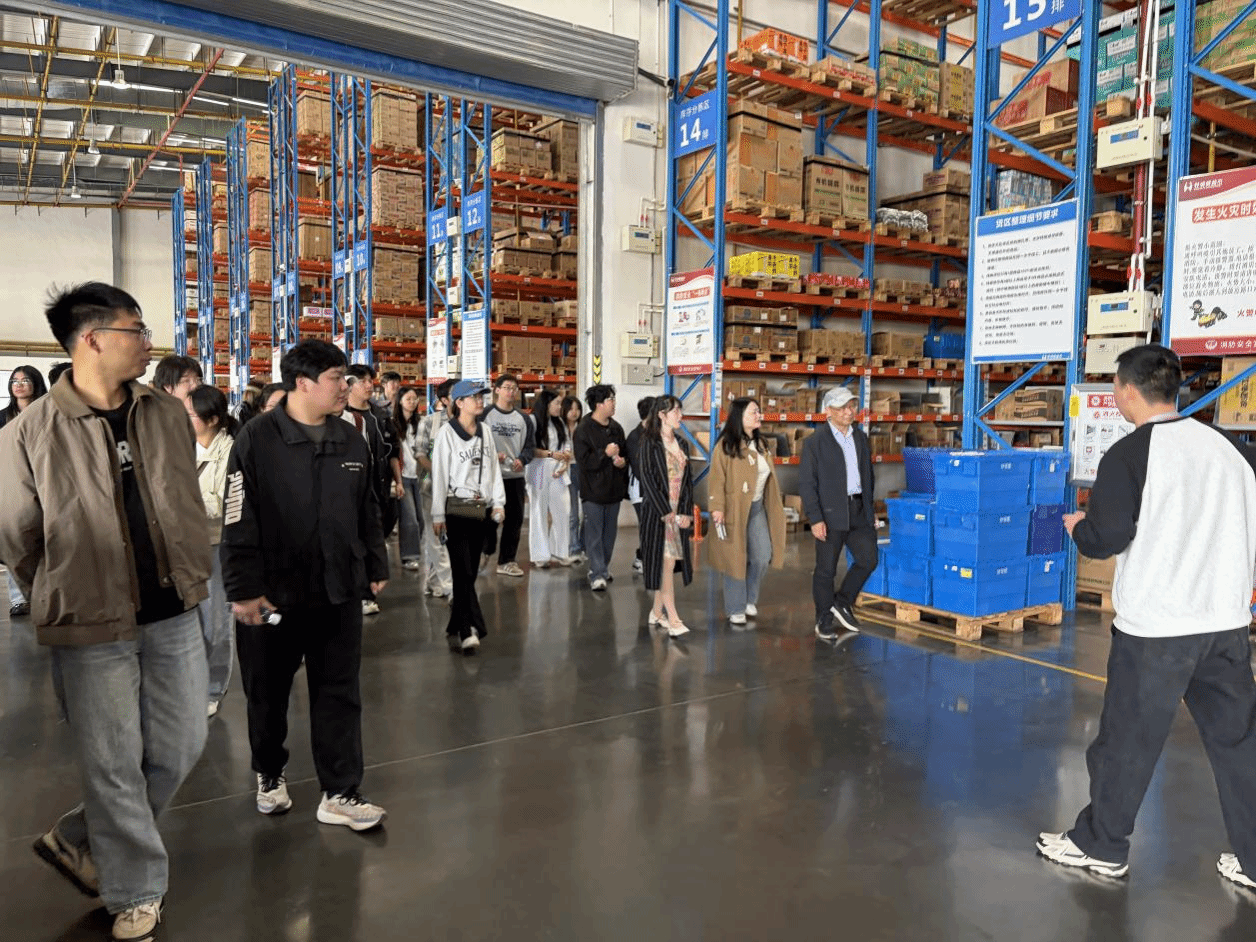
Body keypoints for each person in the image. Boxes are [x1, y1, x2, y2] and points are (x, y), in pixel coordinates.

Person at [0, 283, 211, 942]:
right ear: (92, 339)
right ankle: (136, 888)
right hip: (90, 623)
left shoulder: (164, 412)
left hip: (173, 606)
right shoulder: (30, 431)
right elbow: (14, 535)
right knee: (113, 761)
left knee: (181, 744)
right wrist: (60, 587)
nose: (148, 343)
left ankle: (78, 833)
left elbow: (181, 497)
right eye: (136, 330)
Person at [1037, 344, 1256, 889]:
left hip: (1158, 628)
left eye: (1115, 385)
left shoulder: (1129, 455)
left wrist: (1080, 528)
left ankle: (1102, 846)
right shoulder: (1231, 449)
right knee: (1239, 746)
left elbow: (1107, 538)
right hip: (1225, 623)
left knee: (1126, 743)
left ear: (1127, 391)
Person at [220, 339, 389, 832]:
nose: (346, 387)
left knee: (340, 691)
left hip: (337, 589)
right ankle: (269, 772)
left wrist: (374, 562)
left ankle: (340, 791)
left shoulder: (350, 438)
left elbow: (367, 506)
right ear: (302, 383)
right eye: (337, 378)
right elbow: (237, 517)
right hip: (273, 595)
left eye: (346, 378)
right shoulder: (256, 439)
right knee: (267, 691)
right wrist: (242, 588)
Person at [430, 380, 507, 654]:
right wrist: (437, 514)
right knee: (461, 570)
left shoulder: (485, 431)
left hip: (481, 509)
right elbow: (439, 474)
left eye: (481, 396)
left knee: (470, 571)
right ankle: (468, 629)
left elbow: (493, 470)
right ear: (459, 403)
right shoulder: (446, 434)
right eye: (474, 397)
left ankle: (455, 621)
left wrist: (498, 502)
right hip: (456, 510)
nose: (479, 401)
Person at [799, 386, 875, 643]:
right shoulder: (814, 443)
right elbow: (807, 484)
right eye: (842, 407)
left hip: (858, 510)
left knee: (868, 559)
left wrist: (870, 510)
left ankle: (842, 602)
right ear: (828, 411)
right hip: (830, 514)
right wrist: (815, 518)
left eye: (851, 406)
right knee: (826, 570)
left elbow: (868, 476)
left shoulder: (860, 438)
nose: (849, 412)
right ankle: (823, 618)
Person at [708, 397, 787, 628]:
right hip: (733, 509)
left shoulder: (761, 444)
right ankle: (735, 608)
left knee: (762, 556)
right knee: (735, 559)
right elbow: (716, 478)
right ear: (739, 417)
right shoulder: (726, 446)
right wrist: (717, 507)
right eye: (753, 412)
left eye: (758, 411)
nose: (758, 415)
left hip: (756, 507)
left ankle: (749, 599)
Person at [188, 385, 239, 718]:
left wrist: (182, 501)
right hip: (186, 544)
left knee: (216, 622)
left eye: (192, 415)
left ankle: (213, 687)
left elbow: (223, 503)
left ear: (213, 419)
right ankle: (190, 684)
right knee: (188, 622)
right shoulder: (181, 447)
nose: (185, 420)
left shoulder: (232, 452)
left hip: (217, 544)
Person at [343, 364, 402, 614]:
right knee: (357, 542)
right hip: (353, 492)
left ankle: (367, 589)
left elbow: (393, 451)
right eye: (363, 381)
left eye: (370, 380)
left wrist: (398, 481)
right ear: (349, 385)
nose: (369, 385)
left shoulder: (380, 416)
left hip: (380, 488)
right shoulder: (341, 415)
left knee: (376, 535)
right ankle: (363, 594)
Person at [637, 395, 694, 637]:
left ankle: (656, 612)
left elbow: (688, 483)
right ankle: (673, 618)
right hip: (658, 513)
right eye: (675, 411)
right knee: (666, 563)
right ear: (661, 415)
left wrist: (686, 512)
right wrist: (666, 512)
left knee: (668, 563)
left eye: (680, 410)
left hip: (677, 511)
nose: (680, 415)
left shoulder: (682, 443)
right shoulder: (649, 443)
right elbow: (648, 481)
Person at [1, 364, 48, 617]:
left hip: (45, 482)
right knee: (17, 539)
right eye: (14, 381)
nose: (18, 385)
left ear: (36, 383)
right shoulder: (2, 417)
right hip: (13, 485)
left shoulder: (48, 413)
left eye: (25, 380)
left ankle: (47, 594)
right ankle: (20, 598)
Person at [573, 384, 629, 591]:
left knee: (609, 534)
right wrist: (604, 454)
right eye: (610, 400)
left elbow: (625, 454)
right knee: (594, 534)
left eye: (613, 399)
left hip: (613, 490)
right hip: (593, 491)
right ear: (598, 404)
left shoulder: (616, 428)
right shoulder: (583, 430)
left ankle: (602, 568)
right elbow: (583, 461)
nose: (614, 403)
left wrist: (622, 462)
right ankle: (596, 573)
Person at [482, 374, 534, 577]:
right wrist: (492, 456)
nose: (511, 392)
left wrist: (523, 459)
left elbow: (529, 446)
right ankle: (486, 550)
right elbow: (475, 442)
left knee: (514, 520)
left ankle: (507, 561)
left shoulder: (524, 418)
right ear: (497, 390)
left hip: (514, 477)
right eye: (507, 387)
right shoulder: (485, 415)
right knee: (489, 520)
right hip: (490, 477)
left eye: (514, 388)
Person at [526, 388, 577, 568]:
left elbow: (567, 444)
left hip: (558, 470)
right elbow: (529, 449)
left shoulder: (559, 422)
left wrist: (565, 458)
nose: (559, 407)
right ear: (546, 404)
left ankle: (560, 552)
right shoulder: (533, 421)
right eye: (557, 403)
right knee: (538, 511)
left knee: (563, 509)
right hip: (538, 469)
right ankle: (540, 555)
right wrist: (550, 454)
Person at [416, 379, 455, 598]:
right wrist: (441, 475)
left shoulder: (473, 425)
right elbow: (421, 454)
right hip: (432, 488)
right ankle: (451, 587)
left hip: (462, 493)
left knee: (453, 539)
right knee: (436, 537)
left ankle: (434, 580)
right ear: (445, 400)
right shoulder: (430, 422)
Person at [393, 385, 425, 572]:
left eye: (415, 399)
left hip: (419, 477)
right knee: (409, 519)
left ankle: (414, 550)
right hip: (403, 476)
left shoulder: (421, 424)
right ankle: (409, 556)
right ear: (400, 401)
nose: (412, 402)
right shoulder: (392, 424)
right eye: (408, 399)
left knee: (421, 519)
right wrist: (396, 480)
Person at [624, 396, 655, 575]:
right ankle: (643, 559)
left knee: (653, 526)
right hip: (641, 490)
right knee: (647, 525)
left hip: (655, 489)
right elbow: (638, 468)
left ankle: (642, 557)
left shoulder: (658, 434)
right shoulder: (635, 437)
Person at [563, 395, 586, 560]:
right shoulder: (559, 428)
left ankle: (583, 545)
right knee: (573, 513)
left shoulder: (583, 428)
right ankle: (573, 548)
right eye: (571, 409)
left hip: (583, 469)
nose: (574, 412)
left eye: (577, 409)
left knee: (586, 512)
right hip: (567, 470)